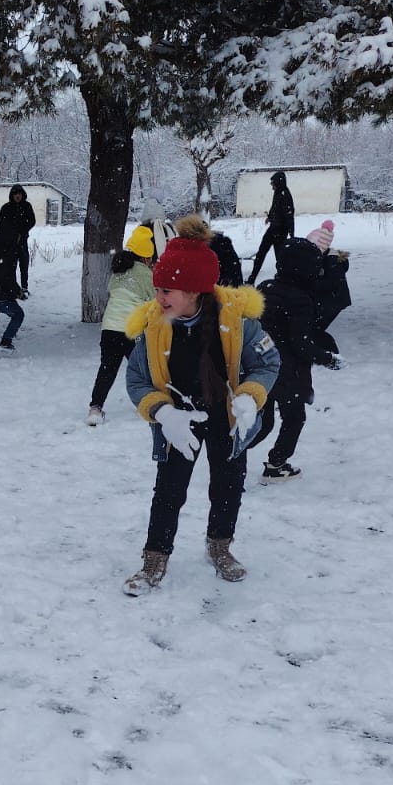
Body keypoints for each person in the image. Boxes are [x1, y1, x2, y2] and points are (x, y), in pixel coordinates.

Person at [122, 215, 280, 592]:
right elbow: (136, 380)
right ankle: (154, 560)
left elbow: (268, 363)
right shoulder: (154, 325)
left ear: (194, 291)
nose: (158, 298)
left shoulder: (238, 321)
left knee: (228, 486)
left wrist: (249, 396)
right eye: (158, 288)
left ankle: (219, 547)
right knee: (169, 491)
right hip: (181, 421)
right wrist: (162, 412)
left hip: (227, 419)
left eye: (166, 291)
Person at [254, 224, 343, 481]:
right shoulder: (301, 299)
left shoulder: (265, 288)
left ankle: (231, 455)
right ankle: (276, 464)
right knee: (294, 418)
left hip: (260, 367)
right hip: (288, 372)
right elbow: (300, 343)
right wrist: (328, 359)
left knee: (262, 420)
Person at [87, 224, 156, 425]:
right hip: (132, 330)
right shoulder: (146, 275)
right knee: (143, 369)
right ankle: (147, 404)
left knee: (107, 369)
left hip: (109, 328)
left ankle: (95, 408)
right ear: (146, 257)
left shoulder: (118, 271)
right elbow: (154, 302)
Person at [246, 170, 294, 285]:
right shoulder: (278, 192)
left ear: (278, 182)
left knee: (280, 258)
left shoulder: (285, 195)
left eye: (273, 184)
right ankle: (252, 279)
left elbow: (289, 215)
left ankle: (284, 281)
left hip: (280, 231)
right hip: (273, 229)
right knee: (261, 253)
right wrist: (270, 217)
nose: (272, 186)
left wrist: (291, 234)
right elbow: (274, 208)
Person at [0, 184, 36, 296]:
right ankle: (13, 288)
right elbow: (0, 226)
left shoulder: (26, 206)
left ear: (23, 195)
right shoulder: (6, 208)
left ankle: (24, 287)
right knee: (10, 267)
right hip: (9, 243)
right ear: (11, 195)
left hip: (22, 241)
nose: (18, 196)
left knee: (24, 265)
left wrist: (22, 231)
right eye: (15, 194)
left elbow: (32, 221)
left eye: (20, 194)